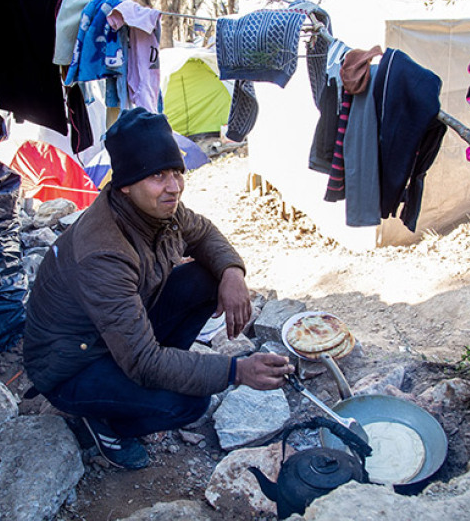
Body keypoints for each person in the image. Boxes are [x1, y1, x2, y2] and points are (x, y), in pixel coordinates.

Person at [23, 107, 293, 469]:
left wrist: (232, 272)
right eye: (157, 176)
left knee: (206, 278)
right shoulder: (103, 252)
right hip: (73, 365)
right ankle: (107, 426)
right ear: (126, 184)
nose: (174, 187)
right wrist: (236, 371)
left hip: (114, 337)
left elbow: (203, 233)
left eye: (176, 172)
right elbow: (142, 361)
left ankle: (157, 377)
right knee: (189, 403)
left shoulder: (153, 207)